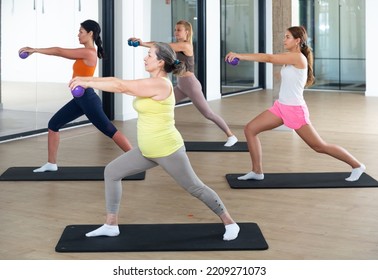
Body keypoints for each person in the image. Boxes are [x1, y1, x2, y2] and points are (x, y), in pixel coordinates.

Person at [69, 42, 240, 241]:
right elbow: (122, 85)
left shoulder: (161, 84)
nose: (145, 58)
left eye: (149, 55)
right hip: (147, 150)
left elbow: (120, 85)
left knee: (195, 187)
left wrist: (87, 82)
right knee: (112, 172)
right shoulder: (150, 82)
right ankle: (111, 224)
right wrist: (84, 79)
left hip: (167, 149)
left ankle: (230, 222)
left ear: (160, 62)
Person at [225, 26, 365, 182]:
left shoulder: (298, 58)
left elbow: (269, 58)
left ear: (297, 40)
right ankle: (257, 171)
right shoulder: (291, 57)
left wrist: (240, 56)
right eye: (284, 36)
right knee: (250, 129)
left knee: (319, 146)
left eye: (287, 37)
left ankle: (357, 165)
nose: (284, 40)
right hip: (280, 107)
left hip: (295, 110)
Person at [19, 20, 132, 173]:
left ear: (90, 33)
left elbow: (59, 51)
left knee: (109, 130)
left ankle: (135, 159)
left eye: (81, 31)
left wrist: (35, 50)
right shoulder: (87, 51)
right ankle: (51, 163)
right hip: (80, 100)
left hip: (88, 100)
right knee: (53, 125)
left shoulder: (89, 52)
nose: (78, 34)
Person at [129, 20, 238, 147]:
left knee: (208, 114)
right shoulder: (177, 46)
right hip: (181, 85)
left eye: (179, 30)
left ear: (187, 32)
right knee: (162, 106)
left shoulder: (186, 46)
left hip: (190, 85)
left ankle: (231, 136)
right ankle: (163, 137)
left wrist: (142, 43)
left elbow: (161, 47)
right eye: (175, 30)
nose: (176, 32)